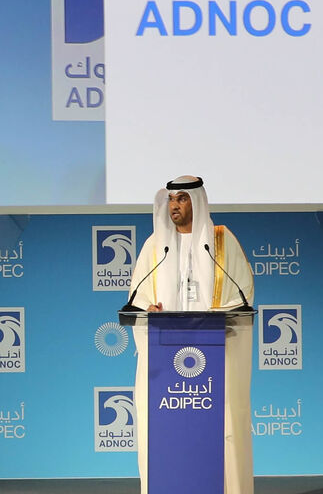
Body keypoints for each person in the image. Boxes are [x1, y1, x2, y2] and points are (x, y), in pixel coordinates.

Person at [127, 175, 255, 494]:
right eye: (171, 200)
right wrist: (149, 312)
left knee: (220, 433)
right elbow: (137, 298)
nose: (175, 206)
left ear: (196, 202)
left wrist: (216, 316)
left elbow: (242, 295)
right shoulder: (155, 247)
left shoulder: (221, 242)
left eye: (182, 199)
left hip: (212, 360)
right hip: (166, 359)